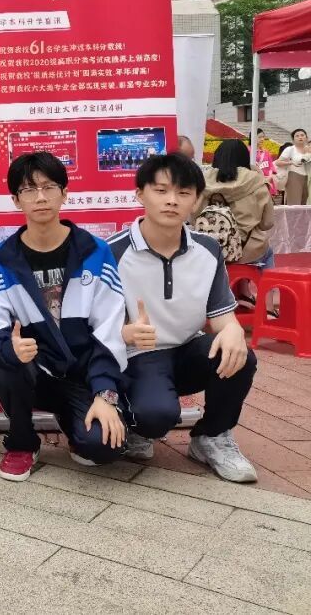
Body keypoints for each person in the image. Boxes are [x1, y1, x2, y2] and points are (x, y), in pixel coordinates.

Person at [0, 152, 127, 482]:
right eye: (29, 189)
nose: (40, 197)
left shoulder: (95, 252)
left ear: (64, 193)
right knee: (6, 365)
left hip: (81, 375)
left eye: (49, 187)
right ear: (16, 200)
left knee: (103, 448)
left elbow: (109, 329)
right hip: (32, 372)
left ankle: (74, 425)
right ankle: (22, 442)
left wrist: (104, 393)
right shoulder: (2, 260)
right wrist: (9, 348)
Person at [109, 153, 257, 483]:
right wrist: (125, 332)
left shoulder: (208, 249)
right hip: (139, 356)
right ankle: (138, 425)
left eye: (184, 192)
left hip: (188, 350)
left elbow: (222, 317)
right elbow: (96, 326)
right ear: (140, 194)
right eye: (161, 191)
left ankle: (211, 437)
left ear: (196, 199)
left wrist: (233, 330)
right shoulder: (113, 251)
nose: (172, 201)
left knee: (240, 355)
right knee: (155, 416)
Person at [196, 139, 275, 267]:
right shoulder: (256, 182)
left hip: (209, 251)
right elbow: (267, 223)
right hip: (249, 250)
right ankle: (267, 280)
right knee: (267, 252)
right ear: (245, 158)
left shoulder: (202, 183)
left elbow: (193, 217)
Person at [275, 128, 311, 205]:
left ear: (306, 138)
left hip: (308, 179)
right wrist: (291, 162)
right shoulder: (290, 149)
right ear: (293, 139)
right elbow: (278, 162)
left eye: (302, 135)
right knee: (294, 203)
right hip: (294, 176)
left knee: (306, 204)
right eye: (297, 136)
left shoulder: (309, 148)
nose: (300, 137)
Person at [255, 130, 278, 197]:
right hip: (255, 181)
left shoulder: (266, 152)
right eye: (259, 137)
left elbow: (271, 166)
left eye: (263, 137)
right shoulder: (248, 150)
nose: (262, 139)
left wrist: (270, 177)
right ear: (252, 137)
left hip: (267, 180)